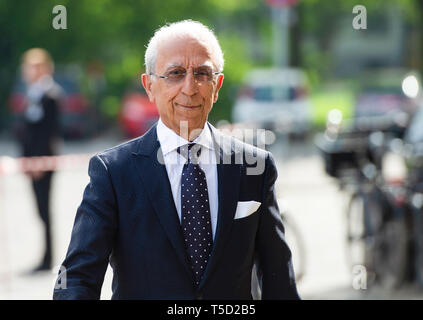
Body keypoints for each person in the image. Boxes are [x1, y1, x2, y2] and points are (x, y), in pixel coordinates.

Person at [53, 20, 300, 300]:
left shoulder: (255, 167)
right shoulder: (113, 172)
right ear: (149, 86)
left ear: (217, 86)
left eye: (203, 73)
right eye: (175, 73)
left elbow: (279, 278)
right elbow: (77, 278)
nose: (190, 87)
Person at [16, 48, 62, 272]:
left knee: (45, 209)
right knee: (39, 210)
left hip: (42, 163)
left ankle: (48, 258)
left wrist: (38, 161)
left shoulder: (49, 94)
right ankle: (44, 256)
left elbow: (47, 133)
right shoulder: (32, 94)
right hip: (31, 163)